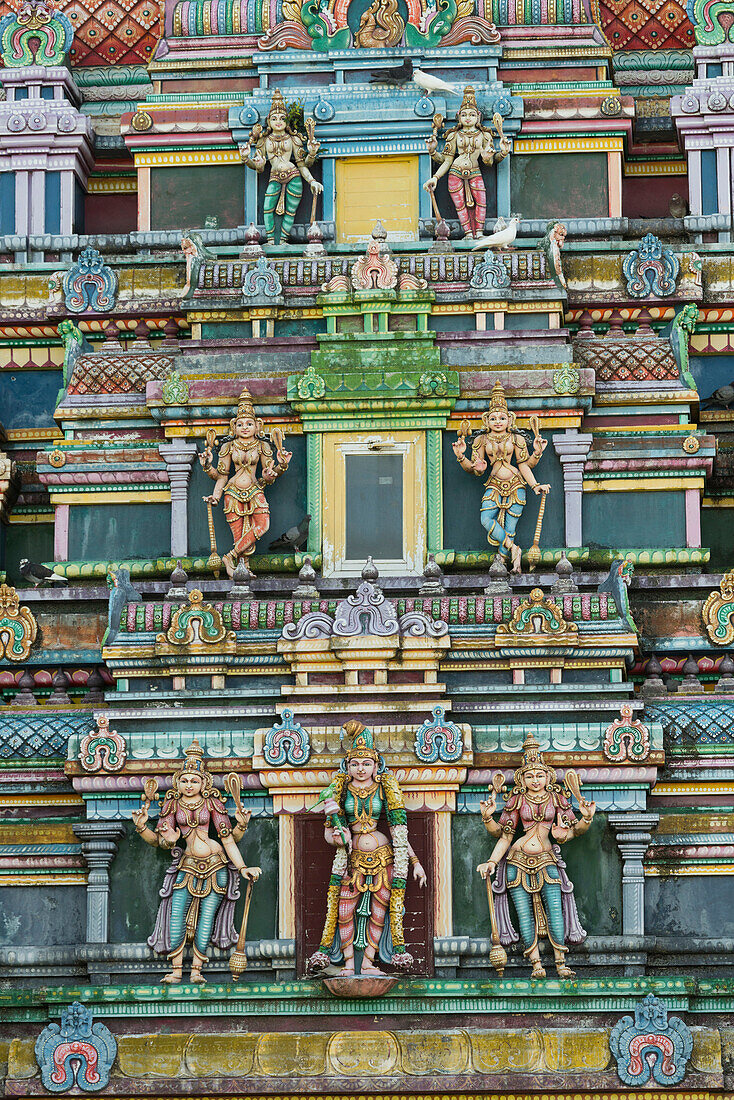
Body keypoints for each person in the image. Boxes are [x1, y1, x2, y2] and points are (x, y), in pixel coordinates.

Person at [132, 740, 261, 984]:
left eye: (194, 780)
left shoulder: (212, 803)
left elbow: (228, 840)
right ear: (177, 783)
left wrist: (243, 864)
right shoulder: (171, 805)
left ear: (204, 783)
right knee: (176, 914)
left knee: (206, 918)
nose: (189, 785)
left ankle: (197, 971)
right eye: (184, 780)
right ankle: (177, 970)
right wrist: (142, 829)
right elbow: (160, 842)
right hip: (187, 864)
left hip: (216, 865)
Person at [307, 721, 427, 977]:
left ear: (376, 765)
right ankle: (349, 964)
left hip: (384, 858)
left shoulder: (384, 789)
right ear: (347, 766)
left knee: (379, 911)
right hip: (352, 860)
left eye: (366, 764)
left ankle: (368, 963)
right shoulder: (339, 791)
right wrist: (337, 839)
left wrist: (415, 862)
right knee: (343, 909)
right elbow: (329, 831)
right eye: (355, 764)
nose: (361, 769)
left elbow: (399, 831)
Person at [477, 735, 594, 978]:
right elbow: (504, 835)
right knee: (523, 912)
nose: (535, 780)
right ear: (523, 778)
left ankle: (561, 963)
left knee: (555, 908)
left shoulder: (557, 799)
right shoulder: (518, 799)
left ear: (547, 776)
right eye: (530, 776)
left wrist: (586, 819)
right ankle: (536, 964)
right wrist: (488, 827)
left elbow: (571, 832)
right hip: (517, 860)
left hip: (546, 858)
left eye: (540, 775)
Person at [453, 381, 549, 573]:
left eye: (502, 418)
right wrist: (462, 457)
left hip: (516, 484)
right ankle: (514, 549)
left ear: (510, 420)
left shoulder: (516, 439)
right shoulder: (481, 440)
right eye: (494, 418)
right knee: (486, 518)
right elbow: (474, 469)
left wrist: (535, 482)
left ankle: (508, 564)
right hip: (494, 484)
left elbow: (524, 465)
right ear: (486, 420)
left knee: (511, 528)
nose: (498, 421)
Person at [200, 387, 291, 578]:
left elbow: (268, 472)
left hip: (255, 490)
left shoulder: (263, 445)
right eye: (240, 424)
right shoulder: (228, 446)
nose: (245, 427)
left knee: (263, 525)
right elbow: (222, 476)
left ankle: (229, 557)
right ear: (234, 426)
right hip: (232, 493)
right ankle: (243, 569)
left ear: (257, 426)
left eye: (249, 423)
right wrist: (210, 475)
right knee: (239, 536)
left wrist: (280, 466)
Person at [424, 86, 510, 239]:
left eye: (471, 114)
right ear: (458, 116)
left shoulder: (485, 136)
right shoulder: (454, 135)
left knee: (481, 202)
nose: (468, 118)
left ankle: (479, 233)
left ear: (478, 116)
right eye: (464, 115)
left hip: (475, 171)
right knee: (460, 206)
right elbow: (447, 160)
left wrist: (501, 152)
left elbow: (490, 162)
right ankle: (469, 233)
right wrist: (435, 173)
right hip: (455, 172)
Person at [239, 88, 322, 243]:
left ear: (287, 122)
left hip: (293, 175)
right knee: (267, 209)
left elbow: (303, 165)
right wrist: (246, 159)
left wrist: (312, 177)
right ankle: (271, 240)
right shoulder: (264, 141)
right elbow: (259, 168)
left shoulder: (294, 139)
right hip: (275, 176)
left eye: (282, 119)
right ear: (269, 121)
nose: (279, 122)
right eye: (275, 118)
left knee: (290, 211)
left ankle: (283, 240)